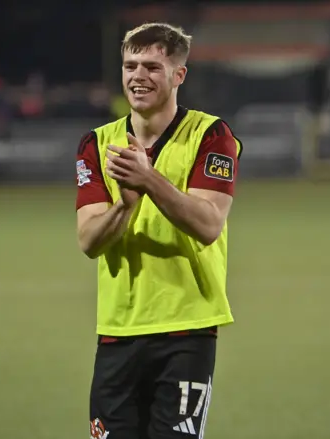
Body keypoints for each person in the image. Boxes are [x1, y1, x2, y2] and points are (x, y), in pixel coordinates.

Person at [75, 22, 242, 439]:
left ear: (178, 75)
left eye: (151, 66)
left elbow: (208, 224)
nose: (138, 76)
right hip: (118, 331)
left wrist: (149, 181)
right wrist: (125, 207)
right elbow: (88, 241)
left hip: (186, 330)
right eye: (130, 65)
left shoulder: (211, 135)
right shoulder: (96, 144)